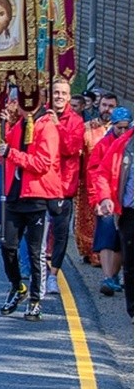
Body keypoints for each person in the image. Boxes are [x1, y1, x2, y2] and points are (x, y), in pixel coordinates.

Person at [0, 96, 61, 320]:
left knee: (35, 253)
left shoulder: (47, 126)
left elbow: (43, 163)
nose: (19, 106)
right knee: (7, 246)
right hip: (15, 195)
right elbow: (0, 152)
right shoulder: (19, 125)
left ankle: (35, 299)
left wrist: (11, 153)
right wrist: (0, 126)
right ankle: (17, 287)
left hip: (36, 197)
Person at [90, 124, 134, 316]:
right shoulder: (124, 143)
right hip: (129, 212)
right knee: (131, 263)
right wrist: (105, 197)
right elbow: (102, 173)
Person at [46, 78, 85, 295]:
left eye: (63, 93)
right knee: (39, 230)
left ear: (69, 97)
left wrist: (57, 126)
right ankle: (38, 269)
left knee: (60, 232)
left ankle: (53, 274)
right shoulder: (41, 116)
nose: (59, 96)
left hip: (63, 184)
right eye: (56, 93)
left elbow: (70, 147)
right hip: (42, 181)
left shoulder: (76, 121)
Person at [77, 92, 118, 265]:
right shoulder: (87, 128)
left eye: (111, 106)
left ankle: (107, 256)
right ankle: (91, 253)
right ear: (98, 106)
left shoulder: (120, 131)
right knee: (89, 220)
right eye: (104, 105)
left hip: (112, 186)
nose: (107, 109)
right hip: (88, 183)